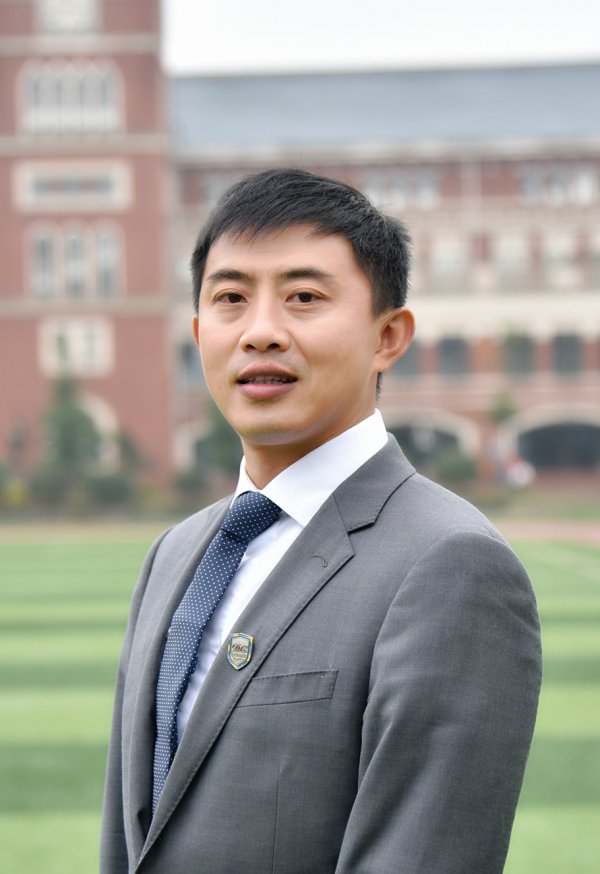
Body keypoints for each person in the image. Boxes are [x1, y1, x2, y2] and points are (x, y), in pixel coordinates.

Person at [101, 168, 541, 874]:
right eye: (231, 299)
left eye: (304, 297)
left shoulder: (450, 563)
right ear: (199, 333)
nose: (260, 332)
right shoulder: (175, 554)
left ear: (388, 336)